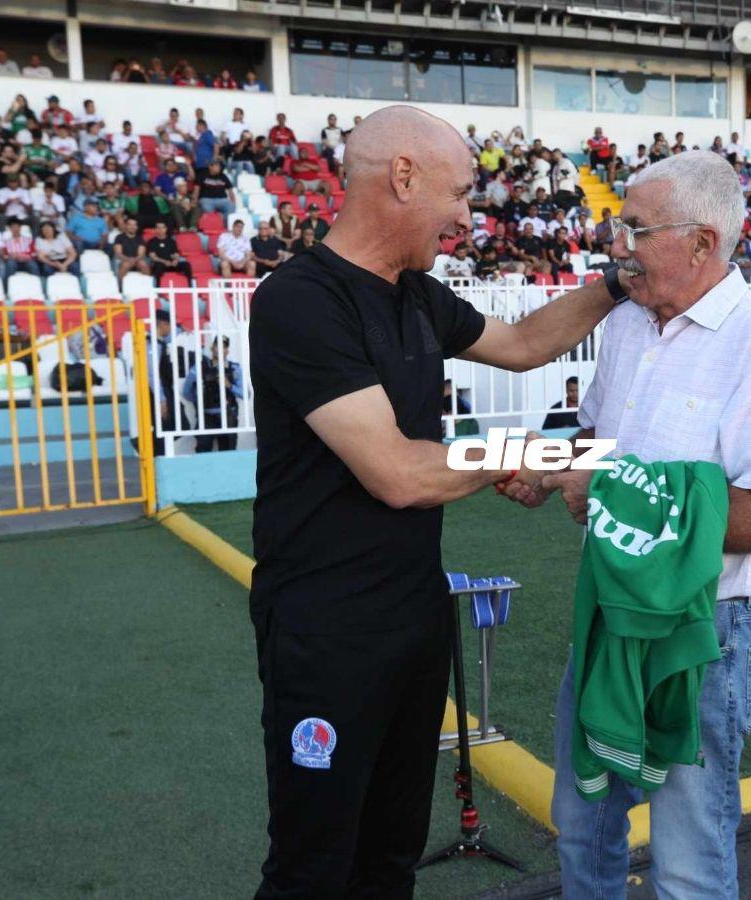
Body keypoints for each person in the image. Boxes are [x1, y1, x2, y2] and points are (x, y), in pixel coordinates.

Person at [246, 104, 624, 899]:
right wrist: (545, 455)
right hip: (326, 632)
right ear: (403, 176)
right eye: (458, 194)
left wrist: (620, 284)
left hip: (417, 619)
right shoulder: (299, 301)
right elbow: (398, 471)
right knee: (313, 867)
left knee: (391, 857)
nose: (465, 216)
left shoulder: (417, 294)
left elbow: (522, 345)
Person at [528, 150, 751, 900]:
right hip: (609, 611)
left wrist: (608, 489)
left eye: (636, 228)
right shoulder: (629, 324)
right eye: (621, 225)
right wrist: (544, 466)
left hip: (705, 630)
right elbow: (598, 443)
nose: (618, 245)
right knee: (582, 820)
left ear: (702, 242)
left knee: (689, 861)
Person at [184, 335, 244, 452]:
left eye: (224, 347)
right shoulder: (199, 368)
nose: (220, 349)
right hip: (206, 416)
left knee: (228, 452)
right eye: (218, 346)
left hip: (228, 415)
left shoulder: (234, 369)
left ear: (227, 350)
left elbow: (245, 394)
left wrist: (229, 386)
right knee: (203, 451)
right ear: (212, 348)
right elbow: (186, 392)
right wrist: (201, 401)